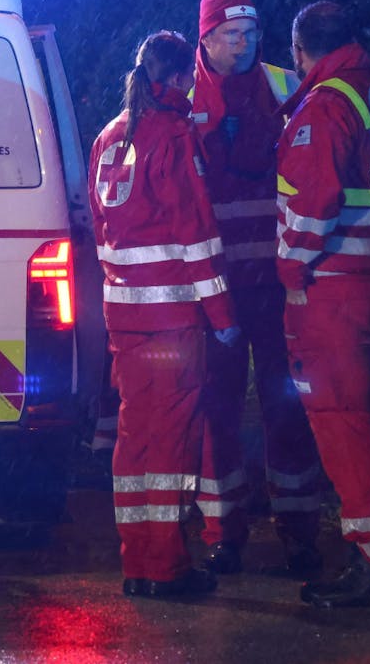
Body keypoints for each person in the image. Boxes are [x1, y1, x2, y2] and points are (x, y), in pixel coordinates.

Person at [276, 1, 370, 608]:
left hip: (334, 285)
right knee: (353, 415)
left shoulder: (327, 105)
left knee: (341, 421)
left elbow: (311, 205)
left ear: (299, 49)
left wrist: (290, 270)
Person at [89, 30, 240, 599]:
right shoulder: (175, 137)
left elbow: (104, 231)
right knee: (174, 440)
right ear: (179, 79)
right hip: (173, 319)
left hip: (123, 318)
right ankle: (168, 567)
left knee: (135, 437)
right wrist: (222, 313)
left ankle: (138, 563)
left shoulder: (109, 137)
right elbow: (196, 233)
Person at [189, 0, 323, 578]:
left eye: (251, 35)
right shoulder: (181, 95)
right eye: (232, 35)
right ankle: (224, 530)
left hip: (274, 280)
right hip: (213, 285)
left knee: (286, 404)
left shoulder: (283, 84)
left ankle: (298, 527)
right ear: (206, 37)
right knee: (216, 409)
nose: (244, 46)